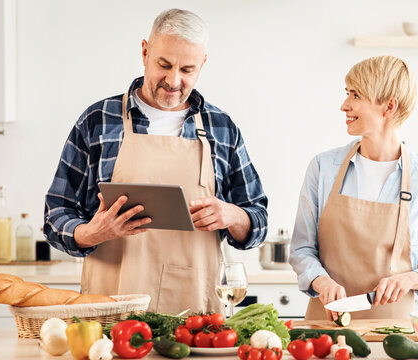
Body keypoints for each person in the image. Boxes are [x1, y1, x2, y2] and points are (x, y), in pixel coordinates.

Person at [43, 9, 268, 314]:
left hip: (196, 316)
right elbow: (55, 212)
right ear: (145, 51)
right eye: (164, 65)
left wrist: (231, 216)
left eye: (187, 69)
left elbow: (258, 221)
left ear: (203, 63)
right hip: (110, 311)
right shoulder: (98, 121)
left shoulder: (221, 128)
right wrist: (88, 234)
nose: (174, 80)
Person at [289, 55, 418, 320]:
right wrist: (320, 281)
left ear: (389, 107)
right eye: (347, 93)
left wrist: (411, 279)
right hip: (325, 326)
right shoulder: (323, 168)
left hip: (393, 329)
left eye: (356, 96)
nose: (344, 105)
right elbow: (302, 249)